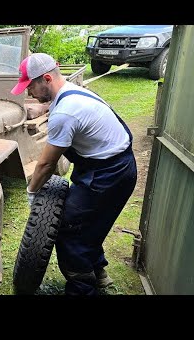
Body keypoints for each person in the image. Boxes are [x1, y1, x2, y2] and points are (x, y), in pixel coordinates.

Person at [11, 53, 137, 295]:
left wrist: (31, 193)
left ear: (46, 78)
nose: (29, 95)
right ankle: (99, 274)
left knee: (69, 229)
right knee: (91, 224)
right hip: (106, 165)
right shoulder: (71, 91)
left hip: (108, 174)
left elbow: (46, 165)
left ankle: (82, 290)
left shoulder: (66, 112)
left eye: (31, 87)